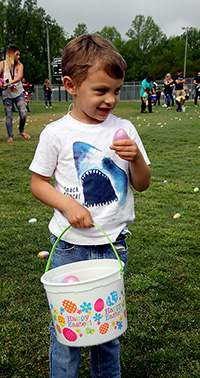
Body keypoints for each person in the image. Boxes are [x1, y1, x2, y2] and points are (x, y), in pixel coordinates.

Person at [29, 33, 151, 378]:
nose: (111, 99)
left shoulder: (124, 129)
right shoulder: (56, 133)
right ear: (70, 85)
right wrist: (67, 204)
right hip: (69, 249)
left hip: (113, 249)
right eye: (100, 91)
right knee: (68, 335)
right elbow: (38, 182)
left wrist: (137, 158)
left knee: (106, 334)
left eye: (116, 90)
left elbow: (141, 184)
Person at [0, 46, 30, 142]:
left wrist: (9, 83)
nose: (18, 57)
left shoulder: (19, 65)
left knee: (23, 114)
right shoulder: (2, 64)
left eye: (19, 55)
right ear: (11, 54)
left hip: (18, 93)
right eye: (17, 54)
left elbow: (19, 77)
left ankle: (21, 131)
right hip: (6, 94)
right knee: (8, 116)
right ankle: (10, 136)